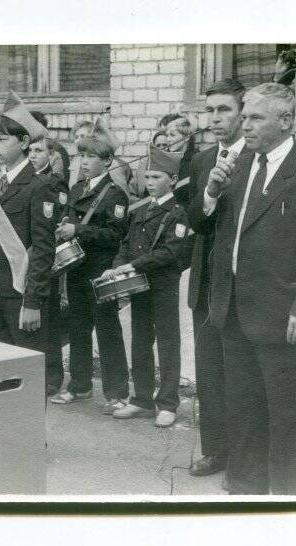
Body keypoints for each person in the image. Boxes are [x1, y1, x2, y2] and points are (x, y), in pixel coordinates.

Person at [187, 83, 296, 494]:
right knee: (243, 414)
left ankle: (295, 509)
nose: (245, 124)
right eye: (246, 116)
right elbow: (204, 228)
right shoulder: (236, 167)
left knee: (289, 419)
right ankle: (246, 496)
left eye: (255, 117)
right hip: (233, 313)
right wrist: (211, 192)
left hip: (284, 317)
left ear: (286, 121)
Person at [103, 144, 191, 427]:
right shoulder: (141, 211)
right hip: (139, 284)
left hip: (163, 284)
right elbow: (127, 245)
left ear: (172, 180)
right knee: (140, 341)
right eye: (147, 177)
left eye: (156, 177)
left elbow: (171, 253)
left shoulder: (178, 213)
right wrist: (117, 265)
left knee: (167, 342)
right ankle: (142, 399)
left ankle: (167, 403)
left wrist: (134, 265)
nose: (149, 183)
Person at [186, 78, 247, 477]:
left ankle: (245, 458)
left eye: (224, 109)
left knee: (241, 375)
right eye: (210, 110)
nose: (215, 118)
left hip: (243, 286)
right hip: (207, 284)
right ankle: (215, 451)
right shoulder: (202, 160)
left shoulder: (258, 159)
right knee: (209, 372)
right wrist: (208, 194)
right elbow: (194, 219)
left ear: (243, 112)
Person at [50, 122, 130, 411]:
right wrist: (64, 229)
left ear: (107, 161)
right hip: (76, 269)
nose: (84, 163)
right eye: (81, 156)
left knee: (107, 330)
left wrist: (78, 231)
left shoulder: (115, 194)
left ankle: (117, 393)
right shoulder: (76, 189)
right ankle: (80, 386)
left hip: (100, 270)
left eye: (91, 157)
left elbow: (115, 236)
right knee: (77, 328)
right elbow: (69, 220)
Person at [0, 92, 56, 374]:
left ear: (24, 142)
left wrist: (33, 301)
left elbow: (44, 249)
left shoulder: (39, 186)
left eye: (2, 140)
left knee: (27, 375)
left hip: (23, 295)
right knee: (1, 375)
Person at [28, 130, 69, 395]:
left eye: (39, 151)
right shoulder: (22, 180)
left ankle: (52, 375)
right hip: (23, 258)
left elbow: (55, 219)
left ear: (52, 155)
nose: (32, 156)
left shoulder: (55, 183)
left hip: (45, 257)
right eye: (30, 151)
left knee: (49, 319)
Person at [164, 116, 198, 210]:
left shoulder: (197, 160)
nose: (168, 139)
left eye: (172, 135)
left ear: (186, 137)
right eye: (167, 135)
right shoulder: (165, 159)